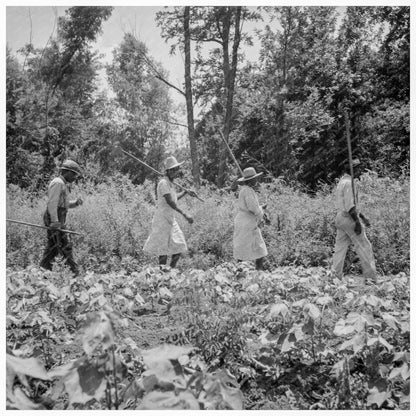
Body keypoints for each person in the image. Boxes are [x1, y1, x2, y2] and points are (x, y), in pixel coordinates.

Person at [143, 156, 195, 268]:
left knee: (180, 245)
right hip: (162, 219)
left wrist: (186, 192)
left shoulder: (171, 183)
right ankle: (162, 274)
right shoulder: (163, 183)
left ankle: (170, 271)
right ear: (168, 171)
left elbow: (174, 198)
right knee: (163, 250)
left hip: (170, 218)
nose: (175, 172)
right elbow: (170, 202)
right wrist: (184, 214)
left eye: (176, 169)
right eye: (172, 170)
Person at [331, 158, 377, 284]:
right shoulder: (349, 183)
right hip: (349, 218)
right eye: (358, 168)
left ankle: (334, 277)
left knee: (340, 248)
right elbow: (351, 207)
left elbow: (351, 204)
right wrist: (357, 223)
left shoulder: (342, 181)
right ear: (353, 169)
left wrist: (362, 217)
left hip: (341, 217)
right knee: (364, 247)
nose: (360, 171)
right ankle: (371, 279)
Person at [40, 159, 83, 275]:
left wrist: (75, 203)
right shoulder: (58, 182)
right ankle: (75, 273)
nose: (75, 177)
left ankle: (43, 272)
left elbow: (63, 205)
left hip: (59, 217)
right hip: (54, 217)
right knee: (64, 246)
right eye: (74, 174)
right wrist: (54, 221)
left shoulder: (63, 184)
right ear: (67, 172)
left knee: (54, 247)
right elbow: (52, 203)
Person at [233, 167, 268, 270]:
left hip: (244, 221)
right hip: (247, 222)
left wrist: (260, 209)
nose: (256, 180)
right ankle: (258, 272)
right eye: (255, 178)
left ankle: (242, 271)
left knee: (245, 248)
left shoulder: (246, 190)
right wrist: (262, 209)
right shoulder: (247, 191)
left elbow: (252, 207)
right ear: (250, 180)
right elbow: (252, 208)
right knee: (259, 250)